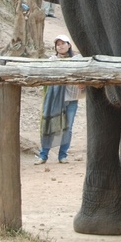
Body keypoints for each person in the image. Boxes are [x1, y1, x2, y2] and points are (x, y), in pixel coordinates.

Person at [35, 35, 84, 165]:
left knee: (68, 128)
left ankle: (63, 155)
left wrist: (82, 83)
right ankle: (43, 155)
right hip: (54, 99)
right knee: (49, 124)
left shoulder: (77, 61)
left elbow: (83, 77)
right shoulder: (52, 60)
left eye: (63, 43)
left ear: (69, 45)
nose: (61, 46)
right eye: (58, 44)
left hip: (71, 99)